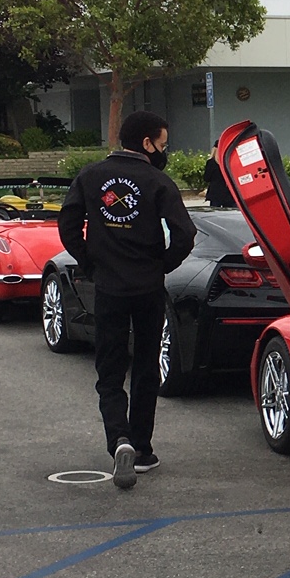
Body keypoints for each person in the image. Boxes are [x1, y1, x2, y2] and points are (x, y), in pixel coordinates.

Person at [58, 111, 196, 487]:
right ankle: (143, 448)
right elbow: (185, 233)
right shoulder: (158, 181)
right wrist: (162, 265)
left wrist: (90, 262)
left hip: (108, 288)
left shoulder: (89, 176)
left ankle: (118, 438)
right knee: (147, 368)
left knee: (110, 370)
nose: (164, 151)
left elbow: (68, 225)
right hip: (148, 288)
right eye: (162, 144)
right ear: (147, 143)